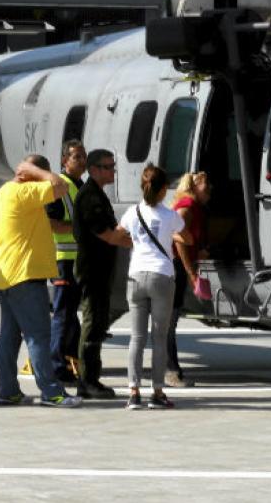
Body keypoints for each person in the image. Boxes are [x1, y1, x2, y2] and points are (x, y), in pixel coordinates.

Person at [0, 154, 82, 408]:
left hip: (8, 274)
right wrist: (37, 172)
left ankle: (8, 391)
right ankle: (52, 393)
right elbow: (60, 187)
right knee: (39, 336)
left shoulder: (3, 192)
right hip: (26, 275)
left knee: (9, 337)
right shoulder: (26, 192)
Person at [118, 164, 188, 410]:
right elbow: (187, 237)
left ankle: (133, 392)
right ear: (163, 190)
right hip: (161, 276)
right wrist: (170, 237)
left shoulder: (132, 212)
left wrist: (136, 243)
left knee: (136, 337)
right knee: (159, 336)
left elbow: (118, 234)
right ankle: (157, 392)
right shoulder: (170, 215)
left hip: (136, 276)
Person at [74, 148, 132, 399]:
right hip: (93, 269)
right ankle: (87, 380)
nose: (113, 171)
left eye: (112, 166)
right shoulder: (90, 197)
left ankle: (90, 379)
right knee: (93, 323)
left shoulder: (97, 194)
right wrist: (140, 239)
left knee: (97, 323)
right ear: (94, 169)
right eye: (108, 167)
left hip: (100, 269)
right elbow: (108, 235)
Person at [164, 171, 210, 388]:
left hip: (176, 266)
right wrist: (191, 272)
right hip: (175, 268)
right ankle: (170, 370)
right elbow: (179, 240)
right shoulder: (188, 206)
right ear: (195, 186)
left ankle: (170, 368)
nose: (209, 190)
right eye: (206, 186)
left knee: (169, 321)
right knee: (169, 321)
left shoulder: (192, 206)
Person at [47, 140, 87, 384]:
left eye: (84, 157)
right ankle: (56, 365)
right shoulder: (60, 187)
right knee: (62, 314)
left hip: (77, 260)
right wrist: (82, 227)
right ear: (64, 161)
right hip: (64, 260)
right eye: (76, 157)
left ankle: (71, 360)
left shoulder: (80, 186)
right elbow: (52, 223)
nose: (82, 161)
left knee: (71, 314)